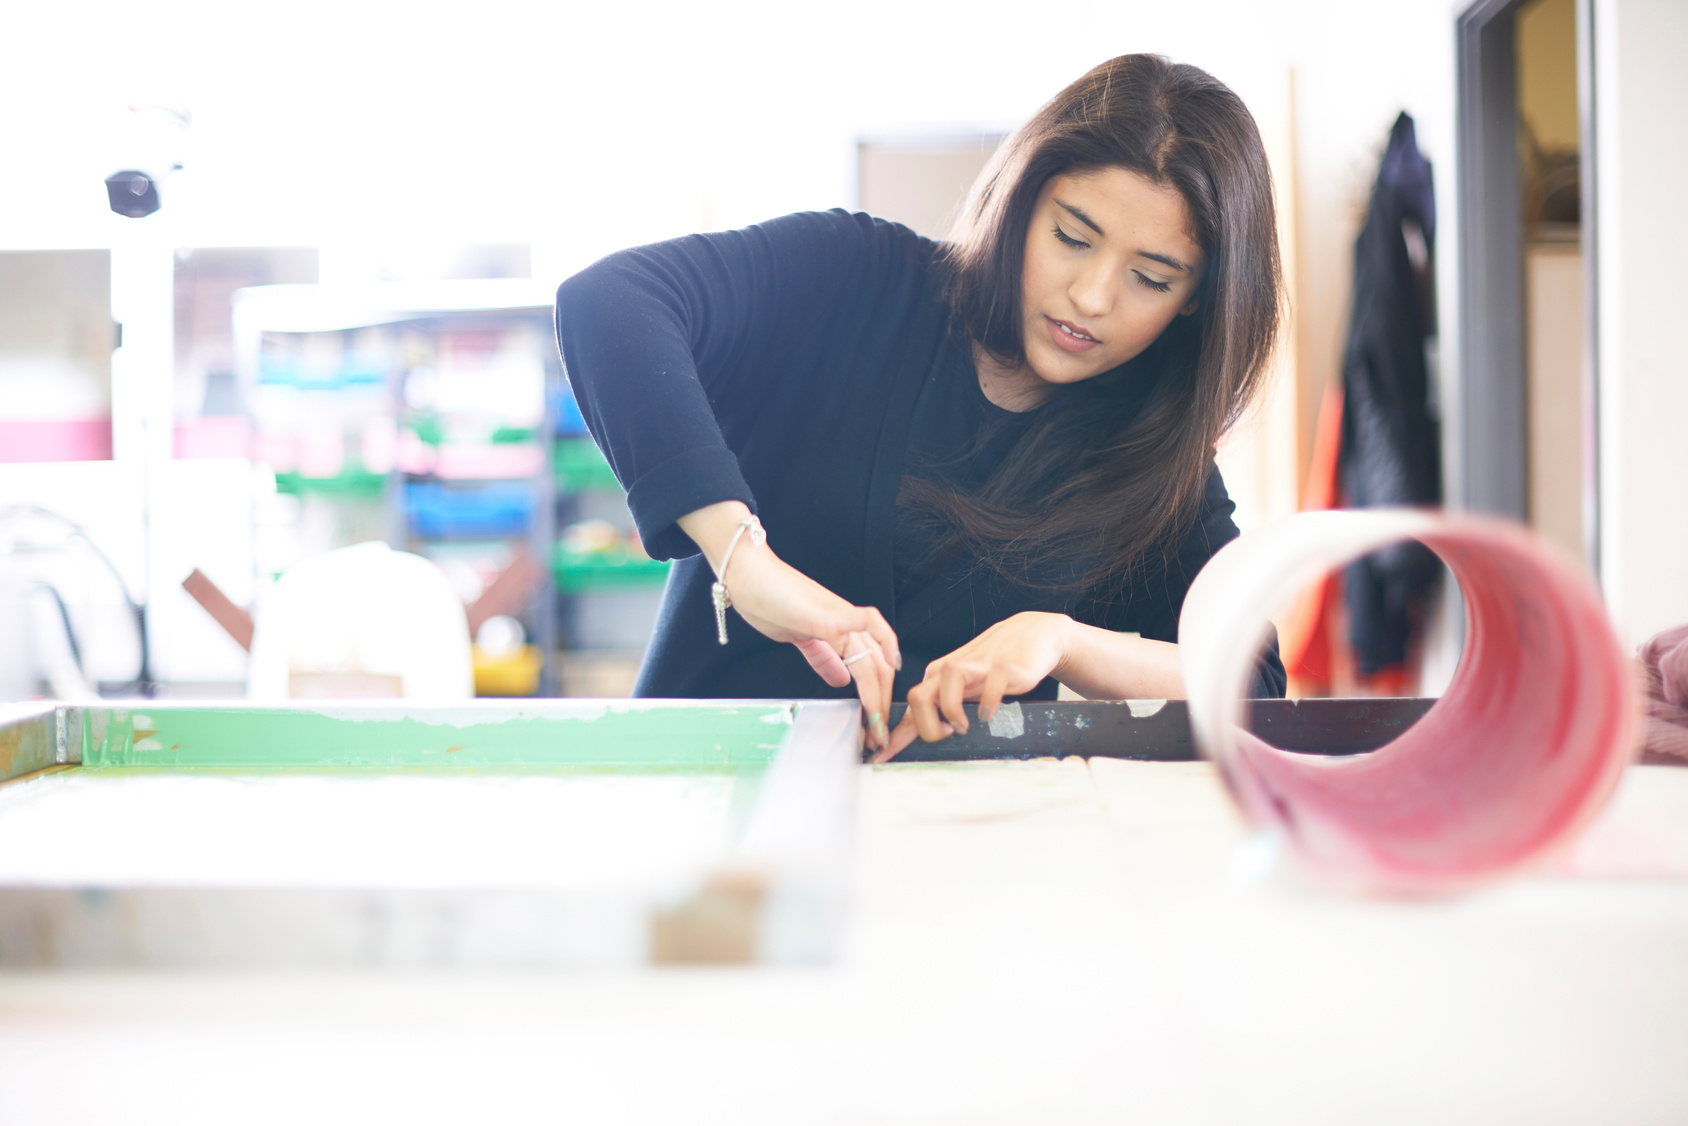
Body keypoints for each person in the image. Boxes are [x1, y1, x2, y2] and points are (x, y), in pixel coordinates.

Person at [555, 53, 1287, 762]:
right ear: (1023, 199)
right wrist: (742, 561)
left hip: (951, 851)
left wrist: (1064, 641)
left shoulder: (1151, 458)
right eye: (1071, 237)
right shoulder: (856, 278)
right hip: (706, 799)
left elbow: (1250, 688)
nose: (1092, 298)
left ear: (1197, 300)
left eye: (1151, 278)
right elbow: (610, 302)